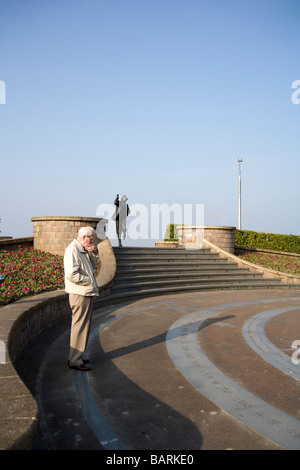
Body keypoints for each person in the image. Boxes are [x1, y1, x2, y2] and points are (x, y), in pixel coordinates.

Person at [64, 226, 99, 371]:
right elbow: (71, 274)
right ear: (84, 237)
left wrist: (93, 253)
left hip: (85, 293)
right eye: (91, 239)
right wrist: (88, 280)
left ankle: (78, 355)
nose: (93, 241)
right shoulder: (72, 250)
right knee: (79, 326)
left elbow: (93, 267)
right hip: (80, 294)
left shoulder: (82, 250)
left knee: (84, 326)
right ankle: (75, 360)